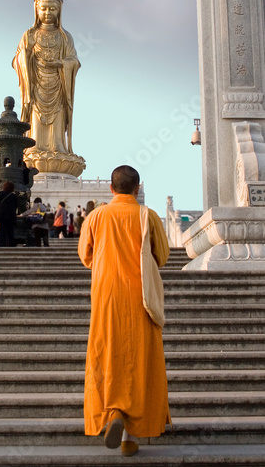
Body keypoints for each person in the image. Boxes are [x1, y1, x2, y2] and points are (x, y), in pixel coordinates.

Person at [78, 165, 171, 457]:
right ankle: (131, 435)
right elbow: (164, 256)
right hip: (141, 297)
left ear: (111, 188)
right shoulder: (148, 215)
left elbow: (85, 255)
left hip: (107, 296)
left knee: (107, 354)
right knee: (140, 359)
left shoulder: (96, 216)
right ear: (137, 188)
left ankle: (112, 411)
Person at [12, 0, 81, 164]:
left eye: (52, 9)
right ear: (36, 9)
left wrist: (60, 63)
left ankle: (58, 148)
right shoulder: (29, 35)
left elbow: (74, 61)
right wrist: (25, 58)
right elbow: (17, 60)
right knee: (35, 120)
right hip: (36, 86)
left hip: (58, 86)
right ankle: (34, 148)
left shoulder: (65, 37)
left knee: (57, 121)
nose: (48, 13)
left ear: (59, 10)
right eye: (43, 8)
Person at [0, 182, 18, 247]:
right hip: (10, 217)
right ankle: (11, 246)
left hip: (1, 216)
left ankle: (2, 246)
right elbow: (15, 207)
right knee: (10, 232)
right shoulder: (14, 196)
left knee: (1, 232)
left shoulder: (0, 194)